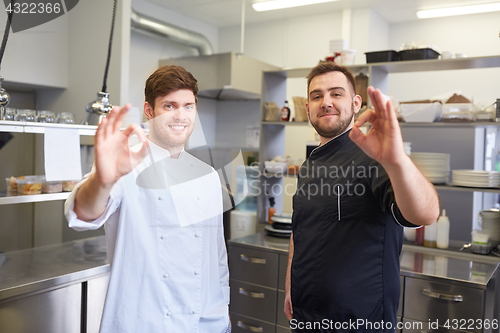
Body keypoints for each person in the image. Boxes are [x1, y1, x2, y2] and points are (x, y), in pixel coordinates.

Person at [64, 65, 231, 333]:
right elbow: (83, 214)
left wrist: (224, 311)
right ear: (149, 110)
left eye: (189, 106)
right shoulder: (127, 163)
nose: (181, 115)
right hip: (143, 321)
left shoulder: (208, 176)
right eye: (170, 106)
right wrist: (102, 180)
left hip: (207, 323)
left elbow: (217, 255)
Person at [284, 62, 439, 332]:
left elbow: (425, 214)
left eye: (336, 93)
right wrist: (290, 285)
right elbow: (301, 230)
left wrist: (397, 161)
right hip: (307, 315)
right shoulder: (309, 164)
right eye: (317, 96)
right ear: (307, 108)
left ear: (356, 103)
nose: (326, 102)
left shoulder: (374, 158)